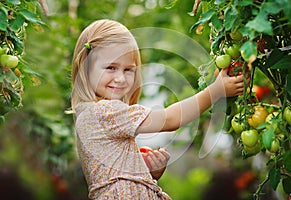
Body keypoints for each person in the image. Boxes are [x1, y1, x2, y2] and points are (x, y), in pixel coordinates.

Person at [71, 19, 246, 200]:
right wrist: (215, 91)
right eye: (111, 68)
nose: (120, 78)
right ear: (86, 68)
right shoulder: (105, 112)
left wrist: (147, 172)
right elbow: (169, 119)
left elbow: (115, 177)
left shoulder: (89, 114)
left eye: (128, 69)